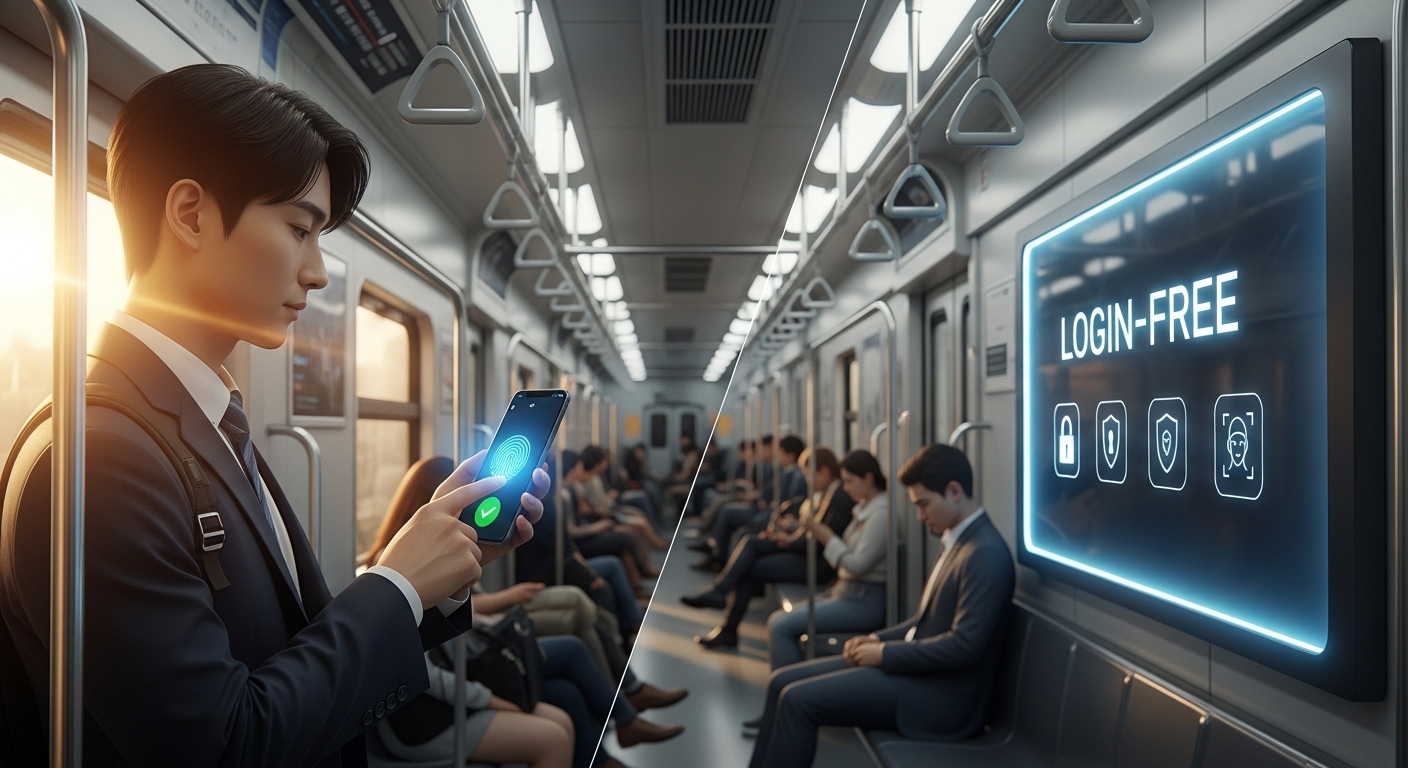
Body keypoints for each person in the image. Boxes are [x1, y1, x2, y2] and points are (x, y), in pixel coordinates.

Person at [0, 64, 548, 765]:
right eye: (299, 229)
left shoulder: (198, 420)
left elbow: (287, 651)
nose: (317, 271)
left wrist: (432, 573)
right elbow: (227, 744)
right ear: (191, 214)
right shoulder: (97, 458)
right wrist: (398, 582)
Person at [366, 459, 684, 768]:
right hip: (431, 711)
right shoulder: (398, 566)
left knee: (567, 692)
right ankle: (625, 704)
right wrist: (494, 700)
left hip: (472, 657)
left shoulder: (447, 547)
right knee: (574, 641)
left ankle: (610, 739)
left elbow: (454, 617)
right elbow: (429, 671)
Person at [746, 445, 1016, 768]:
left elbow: (964, 645)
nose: (919, 515)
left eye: (924, 504)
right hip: (920, 674)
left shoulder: (984, 553)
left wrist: (885, 654)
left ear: (954, 492)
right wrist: (877, 639)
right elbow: (923, 621)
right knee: (781, 683)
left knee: (798, 701)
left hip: (941, 698)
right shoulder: (962, 542)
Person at [683, 447, 855, 651]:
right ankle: (724, 617)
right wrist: (790, 536)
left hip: (817, 565)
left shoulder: (839, 497)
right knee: (751, 548)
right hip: (807, 554)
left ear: (825, 471)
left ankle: (723, 607)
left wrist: (789, 541)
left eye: (811, 475)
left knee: (752, 555)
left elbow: (820, 542)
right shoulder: (827, 493)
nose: (808, 480)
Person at [763, 449, 890, 671]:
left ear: (868, 479)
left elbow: (858, 564)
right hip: (846, 589)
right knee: (780, 618)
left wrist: (827, 537)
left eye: (850, 481)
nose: (846, 488)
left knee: (780, 625)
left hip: (863, 599)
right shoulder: (863, 508)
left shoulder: (881, 513)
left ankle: (792, 692)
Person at [693, 435, 806, 569]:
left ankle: (719, 556)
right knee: (726, 510)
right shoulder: (786, 473)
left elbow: (784, 501)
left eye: (780, 453)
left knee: (731, 516)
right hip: (764, 507)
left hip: (768, 513)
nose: (778, 456)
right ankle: (716, 550)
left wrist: (761, 500)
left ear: (790, 456)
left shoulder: (794, 476)